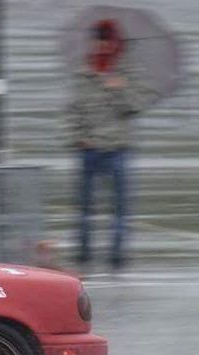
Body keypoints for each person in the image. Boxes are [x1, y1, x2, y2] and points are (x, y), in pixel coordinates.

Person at [65, 19, 157, 268]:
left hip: (118, 149)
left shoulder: (128, 71)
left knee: (120, 209)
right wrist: (76, 138)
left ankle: (117, 256)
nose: (102, 46)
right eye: (98, 41)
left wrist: (118, 88)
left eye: (106, 41)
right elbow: (73, 109)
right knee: (85, 208)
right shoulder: (84, 71)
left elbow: (136, 106)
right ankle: (83, 253)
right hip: (89, 149)